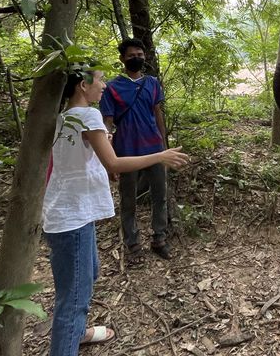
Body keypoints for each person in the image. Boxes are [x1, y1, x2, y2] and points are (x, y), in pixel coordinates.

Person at [43, 67, 188, 356]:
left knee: (89, 272)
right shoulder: (88, 115)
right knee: (73, 298)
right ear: (83, 86)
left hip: (65, 210)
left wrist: (101, 161)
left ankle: (77, 331)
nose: (104, 85)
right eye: (99, 80)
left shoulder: (64, 118)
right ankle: (67, 341)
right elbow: (115, 164)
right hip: (71, 216)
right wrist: (161, 155)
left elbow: (77, 160)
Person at [99, 38, 171, 261]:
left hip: (154, 149)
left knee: (160, 195)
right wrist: (107, 155)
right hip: (126, 151)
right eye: (131, 55)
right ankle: (132, 244)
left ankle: (159, 238)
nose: (137, 58)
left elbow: (157, 112)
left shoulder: (152, 83)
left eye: (140, 54)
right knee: (128, 199)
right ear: (122, 59)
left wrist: (164, 143)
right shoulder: (111, 88)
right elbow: (108, 122)